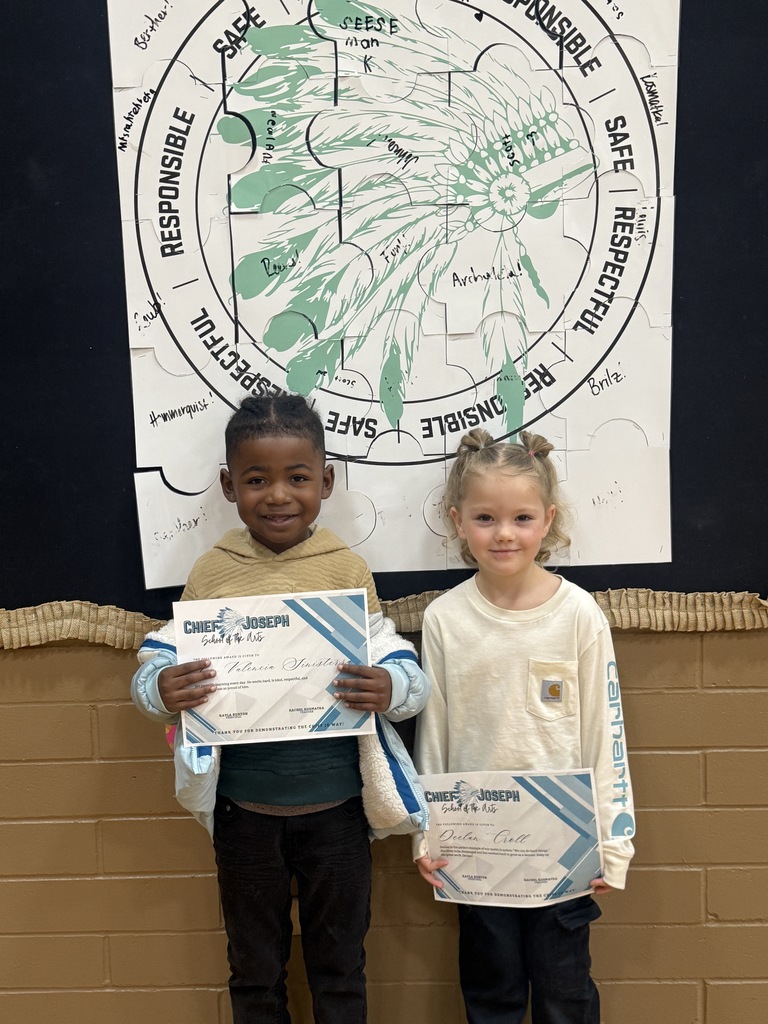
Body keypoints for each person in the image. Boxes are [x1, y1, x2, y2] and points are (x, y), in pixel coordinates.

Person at [131, 394, 430, 1024]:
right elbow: (155, 663)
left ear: (325, 481)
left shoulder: (346, 568)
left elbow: (404, 669)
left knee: (341, 967)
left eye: (298, 478)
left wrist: (392, 689)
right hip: (243, 815)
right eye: (256, 479)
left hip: (340, 813)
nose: (277, 495)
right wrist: (160, 689)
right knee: (254, 968)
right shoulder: (212, 573)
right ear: (227, 486)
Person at [414, 427, 635, 1024]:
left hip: (566, 854)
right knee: (492, 998)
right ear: (458, 521)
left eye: (521, 517)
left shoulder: (579, 614)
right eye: (486, 517)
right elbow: (432, 740)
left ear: (548, 520)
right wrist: (424, 835)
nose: (504, 533)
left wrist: (613, 843)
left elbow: (605, 737)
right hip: (477, 853)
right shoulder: (444, 619)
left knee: (565, 997)